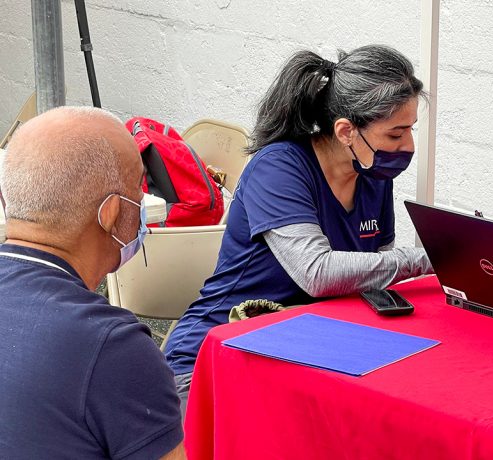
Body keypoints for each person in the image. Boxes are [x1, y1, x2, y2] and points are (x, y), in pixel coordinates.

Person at [165, 45, 433, 407]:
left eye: (411, 130)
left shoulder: (372, 174)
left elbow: (373, 271)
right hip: (215, 354)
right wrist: (430, 258)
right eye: (396, 134)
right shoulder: (279, 167)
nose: (408, 146)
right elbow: (317, 272)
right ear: (345, 131)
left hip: (302, 354)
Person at [0, 107, 185, 459]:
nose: (142, 204)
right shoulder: (114, 350)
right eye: (138, 189)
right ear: (112, 213)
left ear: (6, 200)